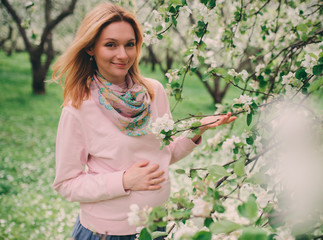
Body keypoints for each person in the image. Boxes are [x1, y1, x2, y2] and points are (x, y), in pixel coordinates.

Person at [52, 2, 236, 240]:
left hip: (155, 227)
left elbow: (163, 154)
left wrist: (196, 130)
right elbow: (66, 184)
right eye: (110, 45)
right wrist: (124, 181)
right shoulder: (79, 107)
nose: (123, 54)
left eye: (130, 44)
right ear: (90, 48)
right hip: (107, 234)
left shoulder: (152, 92)